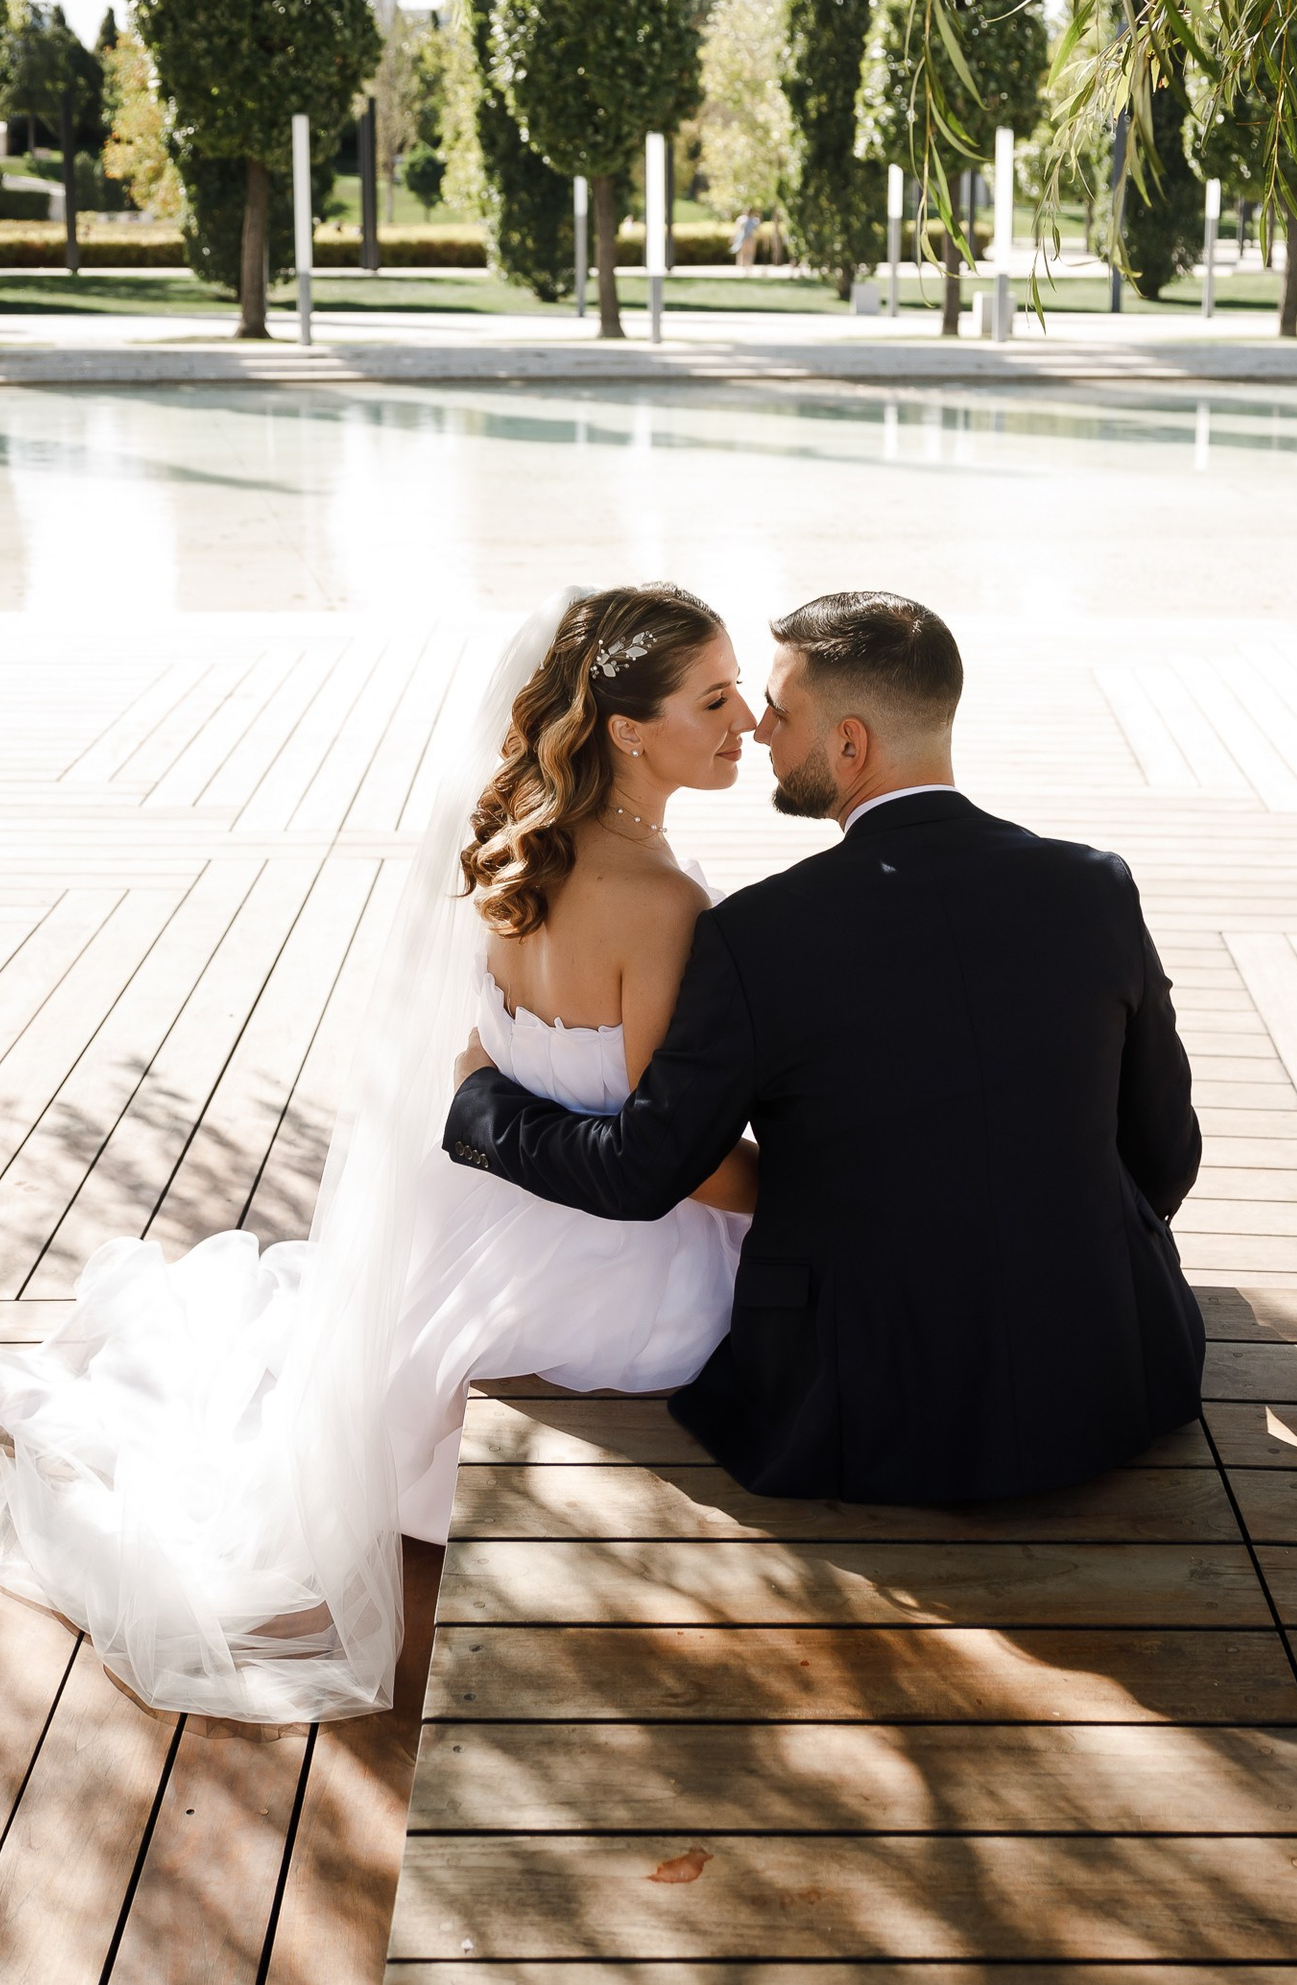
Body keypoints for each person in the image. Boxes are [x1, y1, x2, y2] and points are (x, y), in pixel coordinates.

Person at [0, 584, 756, 1720]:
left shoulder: (518, 848)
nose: (751, 721)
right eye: (716, 699)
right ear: (628, 728)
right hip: (604, 1246)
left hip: (478, 1212)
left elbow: (491, 1050)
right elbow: (661, 1148)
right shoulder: (662, 899)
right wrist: (798, 1192)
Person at [446, 589, 1205, 1504]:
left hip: (861, 1405)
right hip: (1109, 1368)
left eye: (780, 709)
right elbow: (1166, 1153)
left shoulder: (762, 936)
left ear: (850, 745)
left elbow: (649, 1169)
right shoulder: (1094, 887)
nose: (760, 729)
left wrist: (480, 1103)